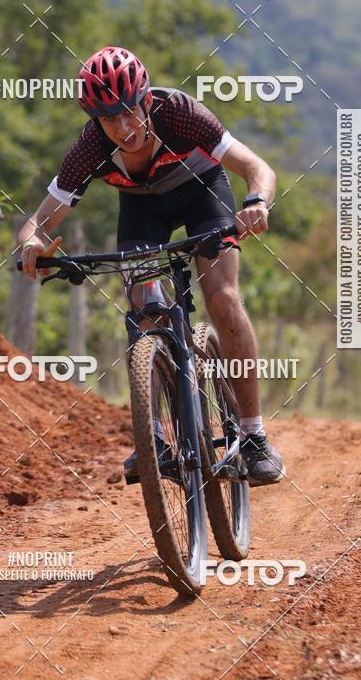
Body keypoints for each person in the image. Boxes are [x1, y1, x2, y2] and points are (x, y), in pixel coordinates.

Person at [18, 46, 285, 486]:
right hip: (143, 210)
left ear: (145, 99)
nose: (124, 128)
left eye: (129, 112)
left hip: (203, 195)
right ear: (94, 120)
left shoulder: (180, 113)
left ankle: (254, 436)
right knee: (146, 310)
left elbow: (257, 167)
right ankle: (155, 437)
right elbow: (37, 223)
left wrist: (256, 201)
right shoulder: (90, 148)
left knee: (221, 296)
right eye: (109, 119)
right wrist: (32, 243)